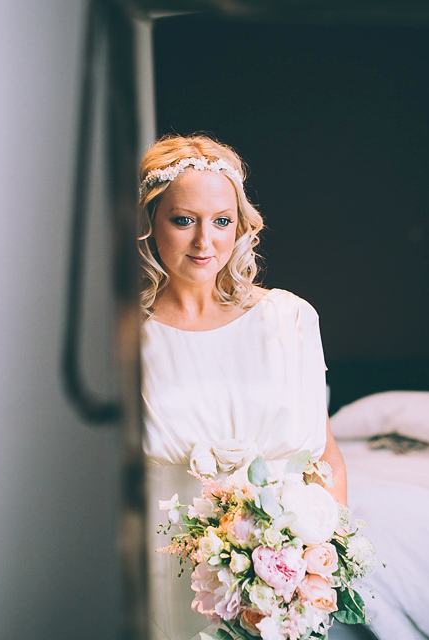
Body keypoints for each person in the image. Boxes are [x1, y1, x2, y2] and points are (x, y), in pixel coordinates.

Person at [139, 134, 347, 640]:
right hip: (162, 574)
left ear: (241, 225)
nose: (204, 241)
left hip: (279, 581)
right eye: (183, 219)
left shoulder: (289, 319)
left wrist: (320, 565)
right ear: (149, 224)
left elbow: (328, 461)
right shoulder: (123, 336)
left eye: (222, 221)